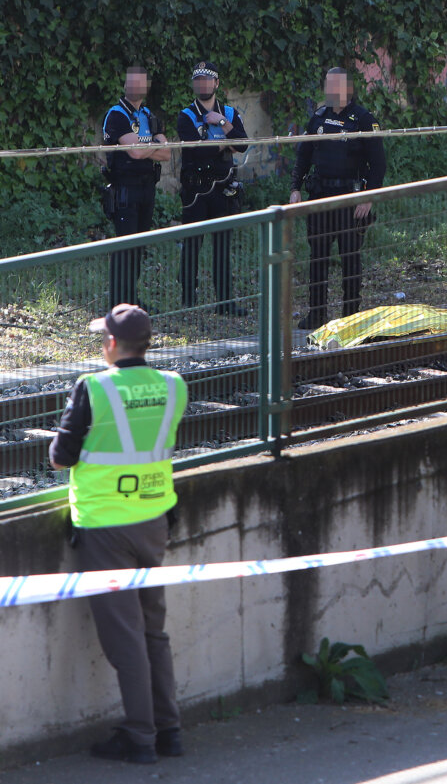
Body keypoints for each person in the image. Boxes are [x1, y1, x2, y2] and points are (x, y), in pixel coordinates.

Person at [49, 304, 189, 765]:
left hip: (105, 527)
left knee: (124, 637)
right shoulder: (173, 386)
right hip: (154, 519)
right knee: (153, 631)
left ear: (111, 343)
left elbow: (61, 457)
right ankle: (169, 731)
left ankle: (140, 737)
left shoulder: (94, 387)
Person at [289, 67, 386, 330]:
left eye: (336, 86)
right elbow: (303, 155)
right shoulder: (319, 117)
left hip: (350, 202)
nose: (330, 91)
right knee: (318, 258)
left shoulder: (364, 120)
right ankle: (317, 314)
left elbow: (378, 163)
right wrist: (295, 187)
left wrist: (369, 197)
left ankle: (350, 317)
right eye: (327, 85)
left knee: (350, 259)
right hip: (320, 198)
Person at [174, 60, 249, 316]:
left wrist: (223, 125)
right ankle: (187, 300)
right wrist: (223, 145)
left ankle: (225, 303)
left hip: (223, 188)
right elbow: (195, 148)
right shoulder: (186, 115)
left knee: (222, 245)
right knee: (192, 244)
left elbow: (243, 144)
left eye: (207, 79)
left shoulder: (228, 112)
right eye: (198, 80)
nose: (202, 84)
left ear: (216, 83)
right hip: (196, 190)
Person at [102, 67, 172, 308]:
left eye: (139, 83)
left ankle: (131, 301)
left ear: (146, 87)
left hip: (146, 188)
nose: (135, 87)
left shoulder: (148, 115)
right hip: (125, 189)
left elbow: (167, 153)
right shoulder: (117, 115)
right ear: (125, 85)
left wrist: (146, 147)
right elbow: (134, 151)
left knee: (139, 245)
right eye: (131, 82)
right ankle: (118, 304)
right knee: (125, 246)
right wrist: (152, 143)